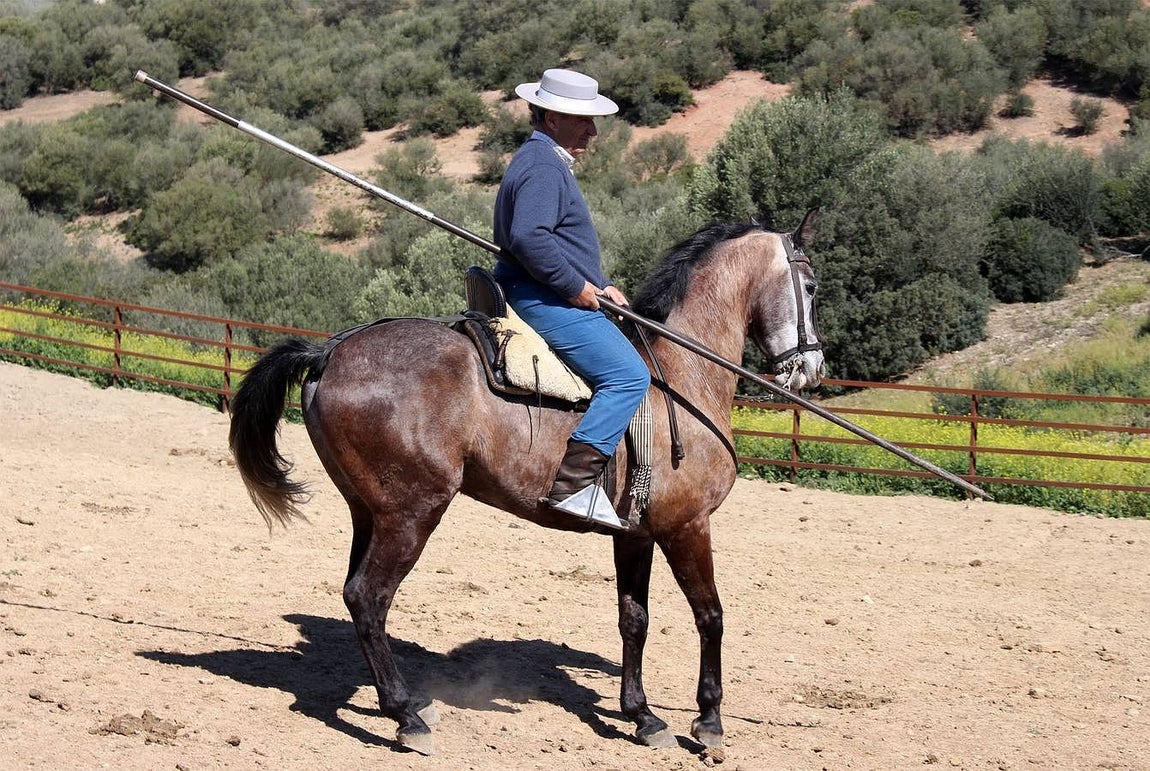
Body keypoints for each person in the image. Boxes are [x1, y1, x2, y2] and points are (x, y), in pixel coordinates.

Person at [492, 68, 651, 530]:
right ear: (552, 116)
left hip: (546, 289)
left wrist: (597, 282)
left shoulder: (542, 159)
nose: (593, 130)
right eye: (583, 119)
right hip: (542, 297)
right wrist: (574, 288)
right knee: (628, 375)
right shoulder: (543, 165)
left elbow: (557, 241)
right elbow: (530, 238)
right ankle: (575, 486)